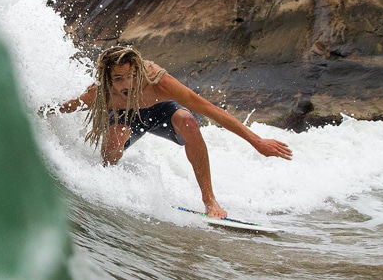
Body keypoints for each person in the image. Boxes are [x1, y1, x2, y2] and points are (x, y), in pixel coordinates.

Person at [41, 45, 293, 219]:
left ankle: (210, 201)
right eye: (118, 79)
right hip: (123, 117)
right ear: (108, 79)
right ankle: (111, 188)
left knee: (190, 123)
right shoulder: (100, 94)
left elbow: (210, 109)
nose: (126, 85)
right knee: (116, 138)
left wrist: (257, 141)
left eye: (130, 76)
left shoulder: (159, 82)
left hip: (158, 109)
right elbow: (63, 107)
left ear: (139, 71)